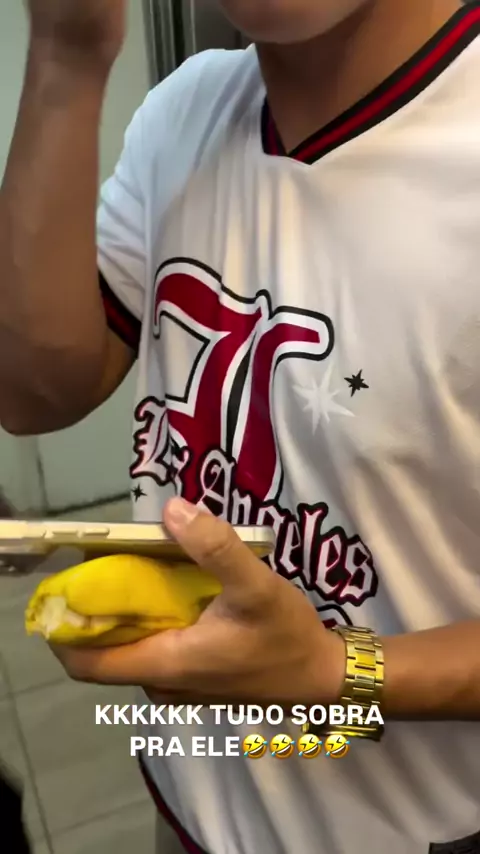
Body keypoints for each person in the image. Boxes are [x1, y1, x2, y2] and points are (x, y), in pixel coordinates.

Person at [0, 0, 479, 851]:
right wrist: (69, 59)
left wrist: (336, 671)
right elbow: (32, 394)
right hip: (189, 804)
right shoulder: (187, 108)